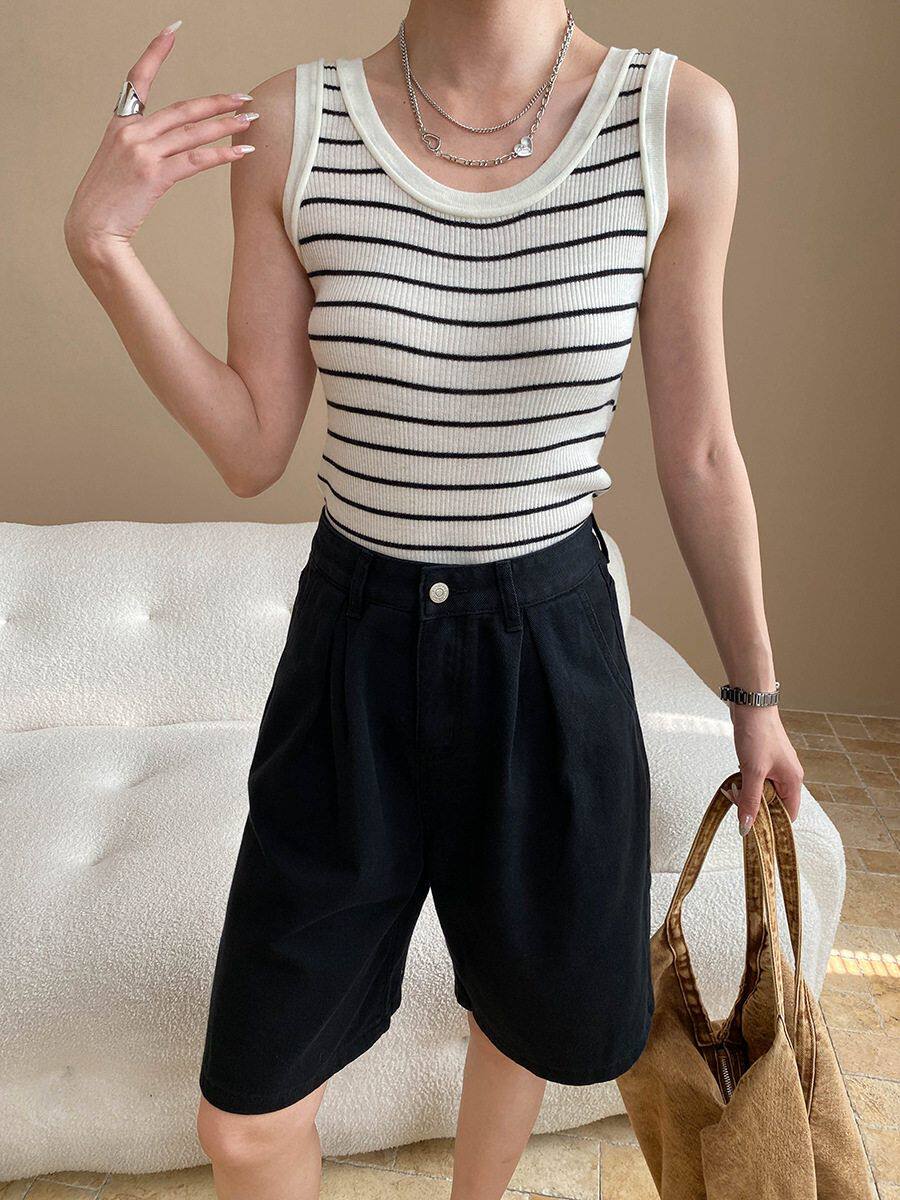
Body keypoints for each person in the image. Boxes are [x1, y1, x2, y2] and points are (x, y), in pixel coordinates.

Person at [63, 3, 804, 1197]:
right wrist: (105, 248)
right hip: (352, 651)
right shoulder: (297, 122)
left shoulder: (673, 121)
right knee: (244, 1120)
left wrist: (754, 699)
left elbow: (702, 452)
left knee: (525, 1012)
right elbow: (253, 446)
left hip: (551, 644)